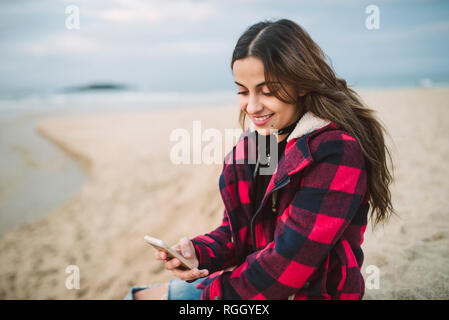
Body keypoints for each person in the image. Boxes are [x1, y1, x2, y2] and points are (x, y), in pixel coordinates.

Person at [124, 18, 394, 300]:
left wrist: (213, 294)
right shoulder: (261, 145)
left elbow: (288, 264)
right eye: (242, 91)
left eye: (267, 91)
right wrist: (199, 252)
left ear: (301, 83)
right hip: (253, 285)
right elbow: (237, 233)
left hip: (305, 294)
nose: (252, 106)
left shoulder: (336, 152)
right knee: (137, 296)